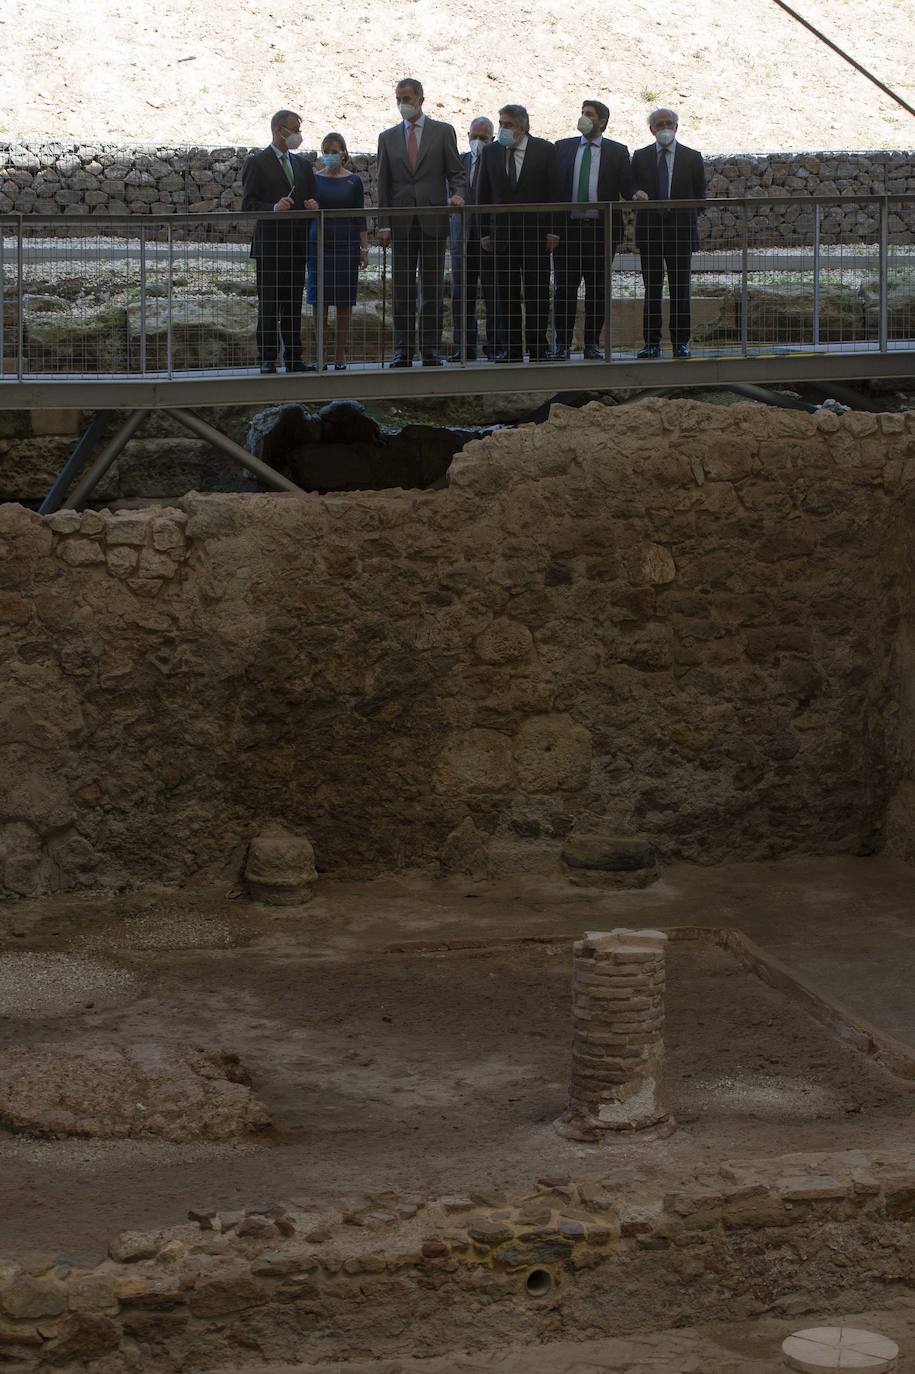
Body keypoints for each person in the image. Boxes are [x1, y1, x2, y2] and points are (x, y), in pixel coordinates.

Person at [376, 78, 466, 366]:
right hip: (401, 223)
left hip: (432, 221)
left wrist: (458, 194)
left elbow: (456, 172)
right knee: (402, 290)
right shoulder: (387, 137)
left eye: (406, 98)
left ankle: (430, 350)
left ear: (420, 99)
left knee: (432, 290)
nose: (402, 103)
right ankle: (403, 351)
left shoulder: (443, 132)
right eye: (398, 98)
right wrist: (384, 223)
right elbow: (383, 184)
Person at [477, 104, 561, 362]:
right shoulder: (491, 151)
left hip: (536, 234)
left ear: (522, 127)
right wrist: (484, 232)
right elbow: (483, 193)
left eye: (508, 124)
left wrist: (554, 230)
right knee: (506, 293)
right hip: (502, 235)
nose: (502, 128)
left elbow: (555, 191)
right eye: (501, 123)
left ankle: (538, 347)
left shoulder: (544, 150)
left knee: (537, 292)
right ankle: (512, 349)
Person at [553, 99, 633, 360]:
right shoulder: (562, 148)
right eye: (582, 113)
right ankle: (562, 344)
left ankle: (591, 344)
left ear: (602, 121)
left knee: (597, 290)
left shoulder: (617, 151)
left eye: (589, 114)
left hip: (601, 232)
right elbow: (553, 189)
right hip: (568, 231)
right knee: (565, 289)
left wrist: (637, 193)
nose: (583, 117)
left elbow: (627, 186)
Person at [242, 109, 319, 373]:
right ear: (278, 130)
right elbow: (248, 205)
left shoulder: (303, 166)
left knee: (293, 304)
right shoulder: (257, 163)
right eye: (294, 130)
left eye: (299, 130)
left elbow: (312, 197)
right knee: (269, 304)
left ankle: (294, 357)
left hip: (296, 246)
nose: (298, 135)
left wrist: (313, 205)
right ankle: (267, 358)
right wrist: (274, 208)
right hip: (270, 247)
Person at [631, 107, 706, 359]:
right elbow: (632, 186)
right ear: (651, 129)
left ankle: (680, 343)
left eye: (668, 123)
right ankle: (651, 343)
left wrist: (683, 217)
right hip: (650, 234)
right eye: (659, 124)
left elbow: (700, 196)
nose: (665, 128)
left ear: (676, 126)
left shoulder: (692, 157)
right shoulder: (640, 156)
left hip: (680, 235)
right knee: (652, 290)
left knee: (680, 290)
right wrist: (636, 194)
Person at [307, 133, 369, 371]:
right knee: (319, 300)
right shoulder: (314, 179)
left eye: (334, 151)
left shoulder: (354, 181)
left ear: (344, 153)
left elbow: (360, 216)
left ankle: (340, 354)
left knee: (344, 300)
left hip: (346, 246)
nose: (330, 155)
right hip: (319, 245)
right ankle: (321, 353)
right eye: (326, 151)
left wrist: (364, 248)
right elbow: (306, 207)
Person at [448, 117, 498, 361]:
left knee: (493, 294)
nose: (477, 141)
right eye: (474, 136)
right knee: (461, 295)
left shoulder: (498, 162)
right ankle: (464, 348)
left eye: (483, 138)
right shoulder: (459, 162)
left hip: (489, 240)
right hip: (463, 240)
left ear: (492, 139)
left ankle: (494, 346)